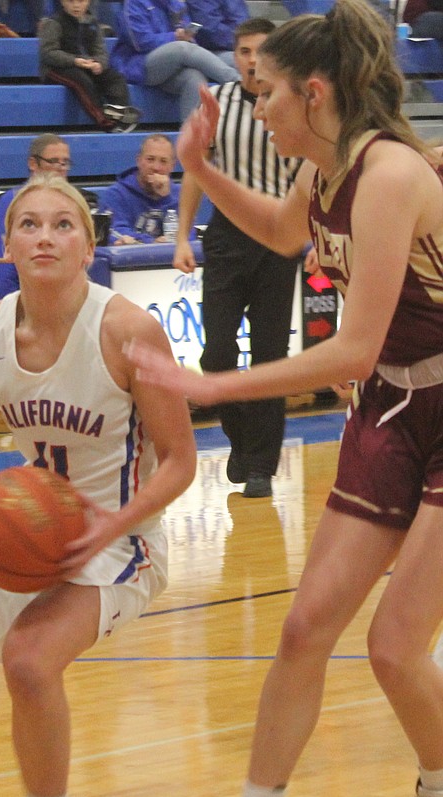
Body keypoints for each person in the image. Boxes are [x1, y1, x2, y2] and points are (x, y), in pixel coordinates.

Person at [126, 0, 443, 797]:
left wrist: (207, 386)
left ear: (313, 92)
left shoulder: (390, 175)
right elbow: (275, 231)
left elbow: (351, 352)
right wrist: (204, 164)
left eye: (262, 93)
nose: (252, 106)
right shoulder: (323, 169)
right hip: (394, 405)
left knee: (393, 647)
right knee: (304, 628)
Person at [0, 174, 197, 797]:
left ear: (90, 248)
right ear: (6, 246)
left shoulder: (127, 330)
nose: (45, 237)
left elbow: (179, 462)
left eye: (64, 225)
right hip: (28, 526)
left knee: (29, 662)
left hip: (121, 538)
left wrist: (113, 524)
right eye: (28, 224)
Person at [173, 17, 302, 499]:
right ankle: (241, 440)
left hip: (278, 236)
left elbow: (312, 175)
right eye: (244, 51)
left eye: (260, 51)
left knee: (271, 354)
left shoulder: (293, 105)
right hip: (227, 234)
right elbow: (193, 171)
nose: (251, 60)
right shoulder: (218, 102)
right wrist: (182, 237)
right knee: (218, 351)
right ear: (235, 55)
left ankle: (261, 467)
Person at [0, 133, 97, 299]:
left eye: (65, 162)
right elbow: (2, 271)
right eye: (53, 161)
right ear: (33, 163)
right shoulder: (12, 203)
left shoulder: (73, 203)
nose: (60, 167)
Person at [109, 0, 239, 125]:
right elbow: (139, 42)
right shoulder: (134, 3)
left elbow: (188, 35)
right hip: (139, 64)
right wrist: (175, 37)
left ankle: (190, 137)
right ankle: (236, 83)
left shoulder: (175, 4)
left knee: (195, 78)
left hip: (173, 64)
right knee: (181, 47)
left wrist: (187, 36)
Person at [39, 0, 140, 133]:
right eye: (71, 1)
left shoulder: (92, 23)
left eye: (81, 1)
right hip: (56, 69)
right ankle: (104, 121)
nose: (76, 5)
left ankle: (120, 114)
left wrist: (99, 63)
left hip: (85, 65)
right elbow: (48, 53)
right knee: (81, 81)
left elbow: (100, 52)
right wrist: (75, 60)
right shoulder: (54, 22)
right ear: (62, 2)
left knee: (114, 77)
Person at [98, 133, 180, 244]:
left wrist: (166, 198)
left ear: (172, 166)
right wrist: (152, 243)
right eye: (150, 159)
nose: (156, 167)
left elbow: (188, 234)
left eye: (163, 161)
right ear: (139, 160)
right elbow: (115, 231)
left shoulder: (179, 195)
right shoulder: (116, 194)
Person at [185, 0, 250, 66]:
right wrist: (244, 41)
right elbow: (211, 32)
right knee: (249, 63)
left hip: (241, 44)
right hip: (214, 50)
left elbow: (244, 22)